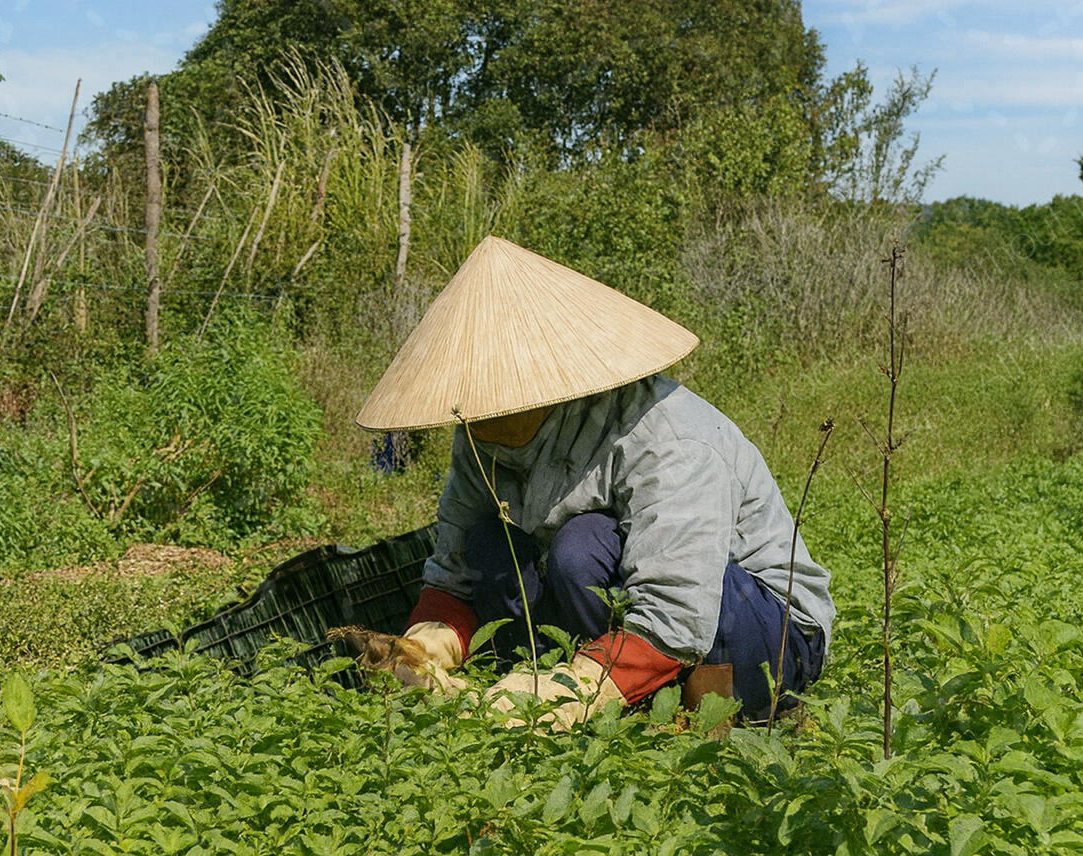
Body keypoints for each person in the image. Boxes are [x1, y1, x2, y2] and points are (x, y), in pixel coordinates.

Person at [351, 236, 833, 723]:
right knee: (489, 542)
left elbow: (677, 613)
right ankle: (606, 692)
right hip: (638, 612)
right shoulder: (478, 435)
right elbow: (455, 572)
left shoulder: (668, 435)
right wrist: (422, 648)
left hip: (765, 622)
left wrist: (568, 692)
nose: (475, 417)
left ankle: (679, 703)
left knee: (581, 547)